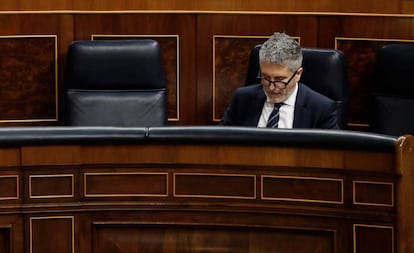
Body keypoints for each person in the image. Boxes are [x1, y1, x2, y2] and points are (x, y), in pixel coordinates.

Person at [220, 32, 339, 129]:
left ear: (298, 74)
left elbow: (332, 155)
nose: (271, 88)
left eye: (279, 80)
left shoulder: (321, 109)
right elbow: (221, 143)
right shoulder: (242, 99)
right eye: (266, 78)